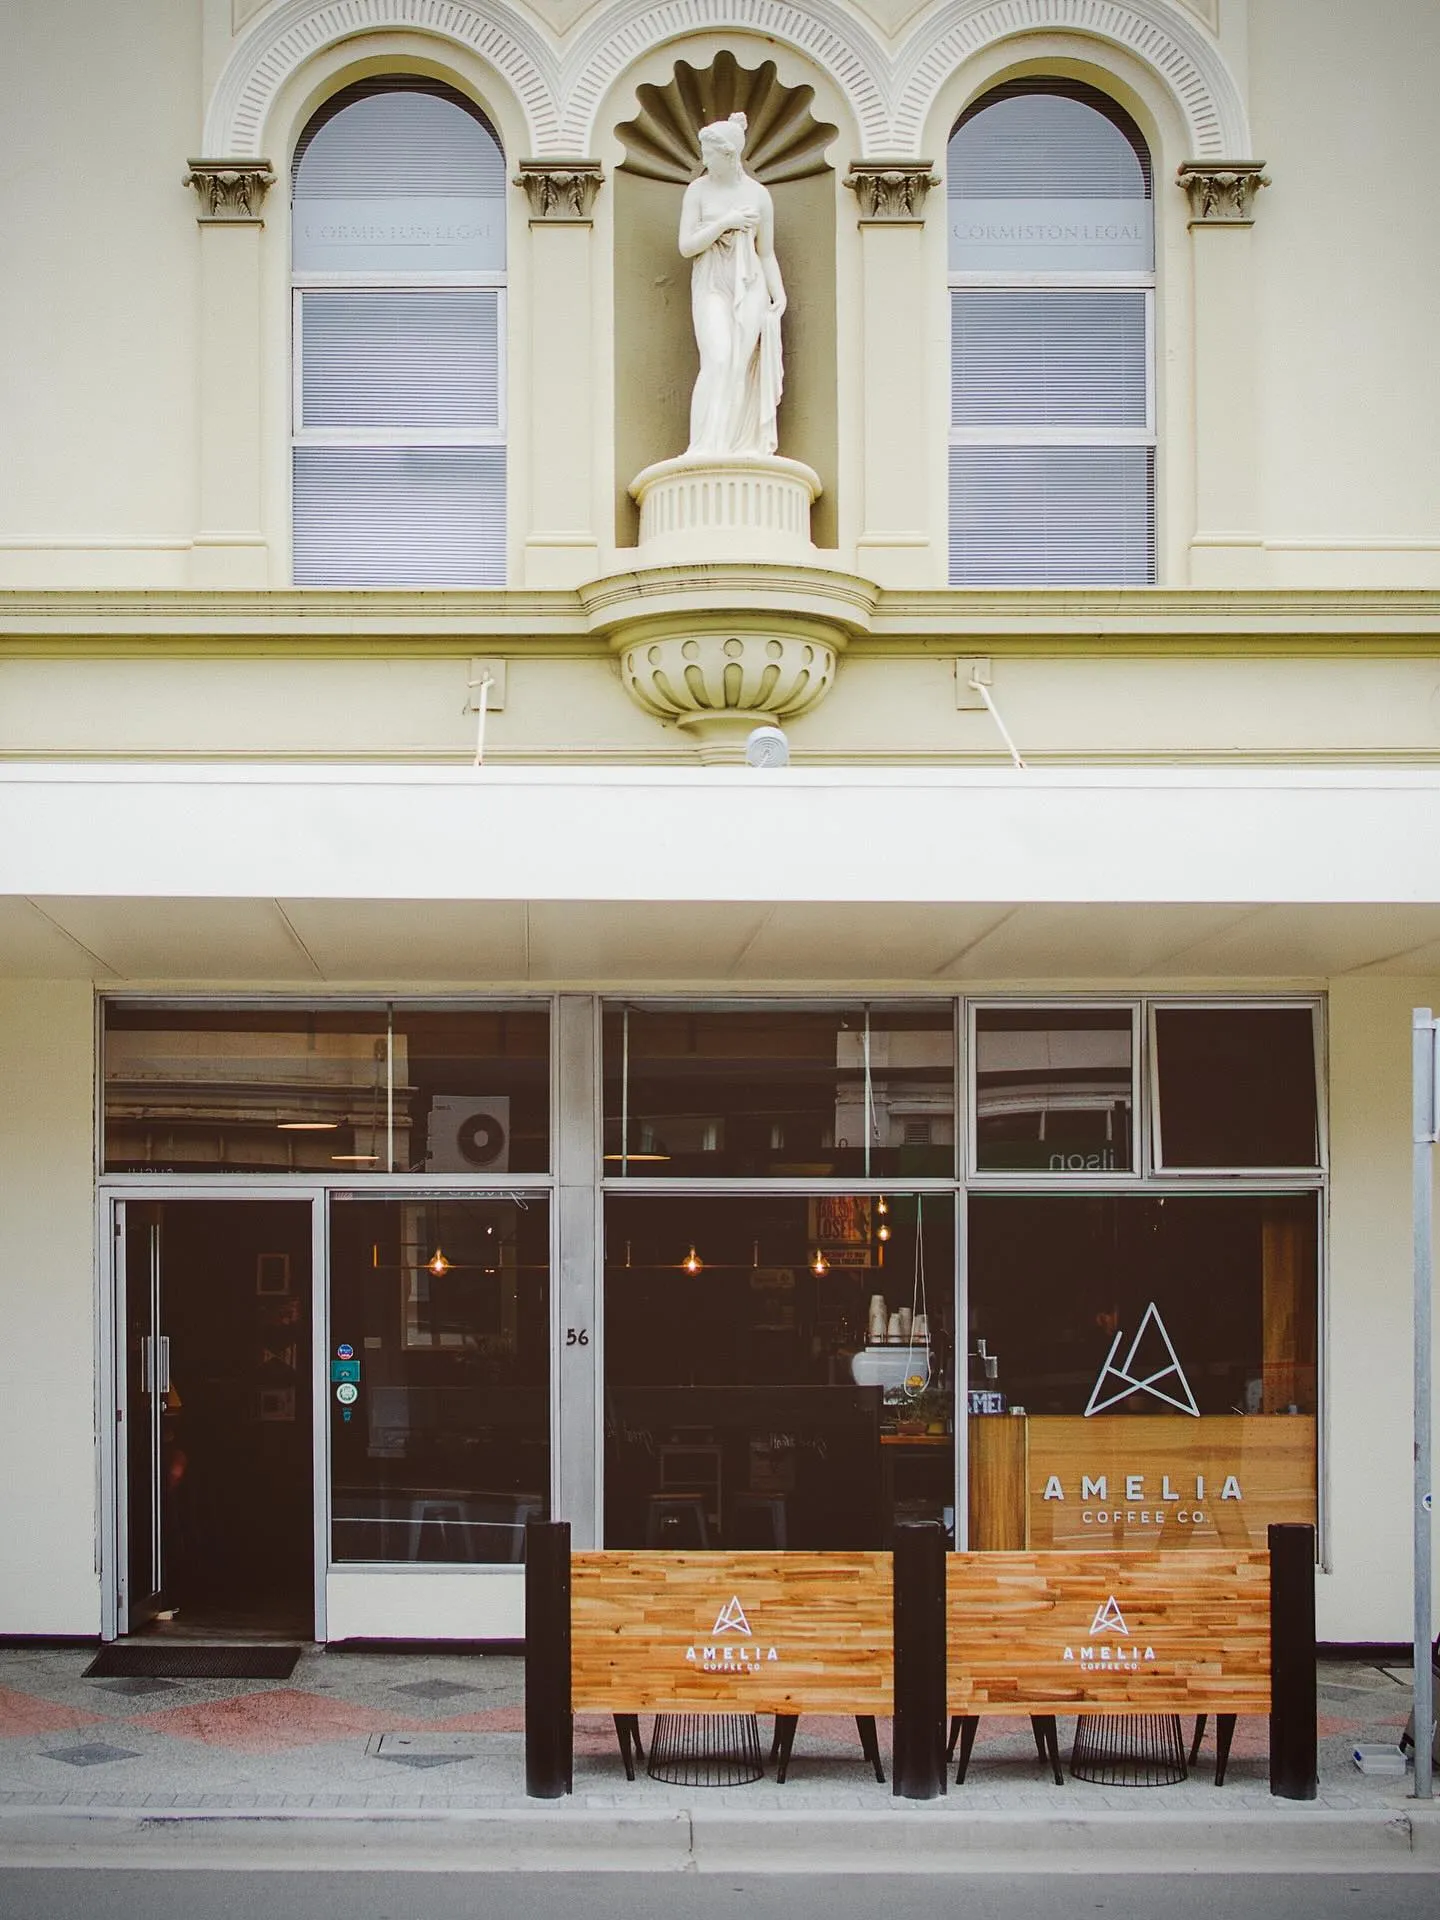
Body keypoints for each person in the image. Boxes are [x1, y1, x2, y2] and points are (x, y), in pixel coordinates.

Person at [678, 112, 787, 458]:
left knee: (739, 365)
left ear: (728, 155)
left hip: (750, 282)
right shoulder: (697, 191)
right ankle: (703, 446)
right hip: (712, 281)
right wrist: (726, 222)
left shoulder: (758, 195)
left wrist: (778, 294)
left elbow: (766, 253)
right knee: (718, 360)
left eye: (709, 154)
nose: (703, 159)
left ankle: (736, 445)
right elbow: (686, 246)